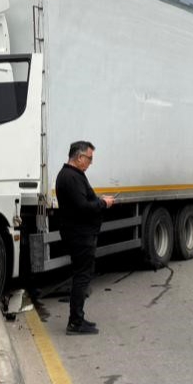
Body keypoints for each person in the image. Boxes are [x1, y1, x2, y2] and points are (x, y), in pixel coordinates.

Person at [55, 140, 115, 336]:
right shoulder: (71, 177)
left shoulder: (70, 175)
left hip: (78, 233)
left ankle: (78, 318)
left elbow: (82, 202)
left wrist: (98, 200)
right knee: (82, 277)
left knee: (81, 275)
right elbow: (82, 207)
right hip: (80, 235)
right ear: (79, 157)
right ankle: (75, 322)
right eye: (89, 158)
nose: (90, 163)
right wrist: (103, 204)